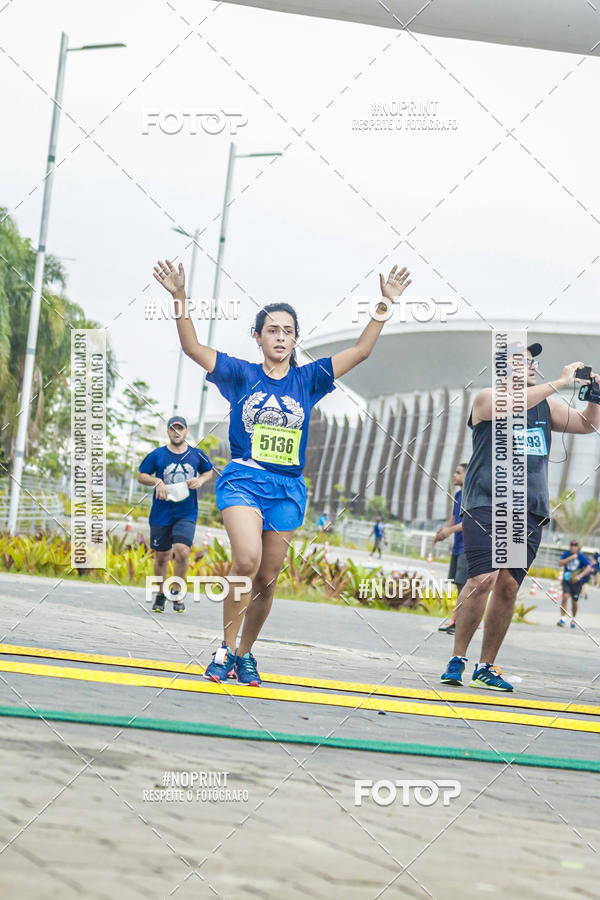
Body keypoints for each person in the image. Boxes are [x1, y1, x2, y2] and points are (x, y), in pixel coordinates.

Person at [153, 257, 411, 685]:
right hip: (243, 481)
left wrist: (384, 303)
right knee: (247, 559)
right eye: (272, 329)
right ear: (257, 337)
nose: (280, 336)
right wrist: (180, 296)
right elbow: (193, 349)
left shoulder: (309, 379)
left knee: (268, 578)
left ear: (295, 339)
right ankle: (222, 649)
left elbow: (362, 351)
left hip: (287, 489)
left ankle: (244, 654)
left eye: (288, 331)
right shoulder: (240, 374)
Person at [441, 343, 600, 691]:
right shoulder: (487, 398)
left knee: (509, 586)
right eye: (520, 361)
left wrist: (594, 396)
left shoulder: (545, 406)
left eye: (531, 361)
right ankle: (458, 658)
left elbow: (587, 425)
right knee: (482, 579)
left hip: (527, 508)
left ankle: (486, 665)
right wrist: (561, 382)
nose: (529, 365)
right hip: (487, 501)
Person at [137, 416, 213, 613]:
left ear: (186, 431)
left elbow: (208, 471)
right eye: (172, 429)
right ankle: (161, 594)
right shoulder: (158, 455)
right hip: (162, 512)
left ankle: (177, 592)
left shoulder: (197, 454)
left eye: (180, 429)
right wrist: (157, 482)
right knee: (161, 556)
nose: (176, 432)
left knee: (182, 551)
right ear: (168, 432)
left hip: (186, 512)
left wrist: (200, 481)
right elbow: (141, 474)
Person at [436, 462, 468, 635]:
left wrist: (449, 530)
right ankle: (455, 621)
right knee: (458, 586)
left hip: (467, 547)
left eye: (458, 473)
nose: (454, 476)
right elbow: (454, 518)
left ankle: (461, 625)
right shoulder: (458, 495)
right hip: (457, 546)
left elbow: (467, 523)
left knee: (464, 587)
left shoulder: (471, 495)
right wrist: (443, 531)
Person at [557, 539, 592, 629]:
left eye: (575, 545)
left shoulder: (581, 556)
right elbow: (560, 563)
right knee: (565, 597)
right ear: (570, 546)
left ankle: (573, 619)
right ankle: (562, 619)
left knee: (574, 602)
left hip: (576, 583)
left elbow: (588, 568)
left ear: (577, 547)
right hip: (567, 580)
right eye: (572, 545)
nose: (573, 547)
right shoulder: (566, 554)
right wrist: (570, 558)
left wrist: (580, 576)